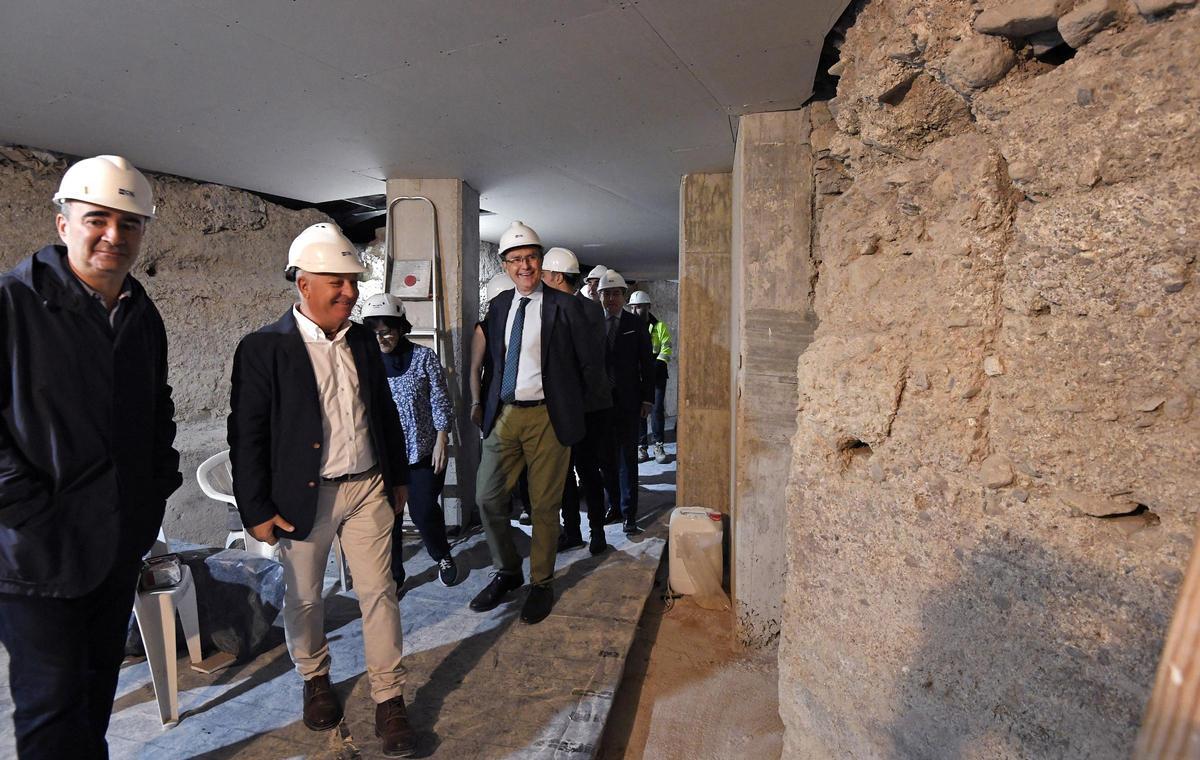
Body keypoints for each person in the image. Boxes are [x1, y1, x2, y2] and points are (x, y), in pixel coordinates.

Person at [0, 155, 182, 759]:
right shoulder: (13, 303)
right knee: (51, 708)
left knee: (95, 693)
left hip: (114, 545)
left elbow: (157, 409)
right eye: (97, 219)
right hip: (35, 557)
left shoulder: (139, 312)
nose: (114, 235)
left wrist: (152, 491)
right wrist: (31, 512)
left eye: (129, 223)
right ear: (62, 223)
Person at [228, 223, 415, 757]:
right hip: (301, 499)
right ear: (302, 282)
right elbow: (247, 433)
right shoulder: (264, 347)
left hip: (367, 488)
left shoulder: (361, 339)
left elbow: (383, 411)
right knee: (306, 598)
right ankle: (314, 677)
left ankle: (389, 698)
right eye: (336, 281)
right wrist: (255, 507)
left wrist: (397, 476)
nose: (350, 292)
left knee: (379, 594)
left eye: (353, 281)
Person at [470, 221, 603, 625]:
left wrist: (573, 408)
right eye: (515, 260)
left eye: (530, 258)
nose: (524, 266)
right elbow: (492, 355)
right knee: (487, 497)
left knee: (545, 506)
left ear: (540, 261)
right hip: (506, 413)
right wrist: (480, 400)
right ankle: (508, 570)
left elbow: (589, 364)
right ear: (505, 265)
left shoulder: (567, 307)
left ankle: (541, 582)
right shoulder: (498, 307)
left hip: (549, 415)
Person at [361, 293, 459, 588]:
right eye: (375, 332)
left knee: (423, 510)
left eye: (387, 330)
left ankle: (442, 553)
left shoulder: (423, 357)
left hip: (422, 452)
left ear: (402, 327)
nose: (382, 338)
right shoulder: (366, 363)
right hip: (383, 456)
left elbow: (441, 401)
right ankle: (395, 575)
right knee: (387, 517)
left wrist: (443, 438)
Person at [541, 247, 617, 555]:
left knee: (571, 472)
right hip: (591, 405)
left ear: (557, 276)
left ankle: (576, 531)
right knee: (586, 470)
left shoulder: (561, 309)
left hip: (573, 407)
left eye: (545, 275)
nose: (541, 280)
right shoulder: (592, 309)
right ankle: (593, 532)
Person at [597, 270, 654, 536]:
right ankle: (614, 506)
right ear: (599, 296)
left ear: (624, 296)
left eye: (616, 293)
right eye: (606, 294)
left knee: (627, 458)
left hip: (629, 402)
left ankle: (629, 513)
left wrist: (647, 398)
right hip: (599, 404)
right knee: (605, 459)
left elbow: (647, 362)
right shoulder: (593, 323)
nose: (611, 299)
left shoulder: (635, 323)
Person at [629, 290, 672, 464]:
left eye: (638, 307)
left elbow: (666, 347)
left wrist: (656, 366)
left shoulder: (659, 326)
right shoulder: (630, 327)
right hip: (637, 375)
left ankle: (659, 444)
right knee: (640, 411)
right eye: (632, 307)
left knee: (656, 411)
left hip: (657, 375)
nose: (634, 311)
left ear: (648, 307)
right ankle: (642, 447)